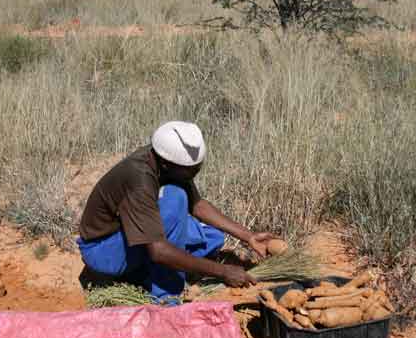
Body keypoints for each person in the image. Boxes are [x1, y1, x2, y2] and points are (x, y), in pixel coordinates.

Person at [77, 121, 273, 302]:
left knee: (212, 237)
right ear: (166, 164)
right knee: (176, 197)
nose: (193, 176)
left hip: (130, 237)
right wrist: (222, 272)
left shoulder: (166, 160)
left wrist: (249, 236)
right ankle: (165, 297)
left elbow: (197, 205)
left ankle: (142, 272)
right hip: (102, 250)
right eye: (190, 172)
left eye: (196, 169)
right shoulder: (139, 180)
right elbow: (158, 251)